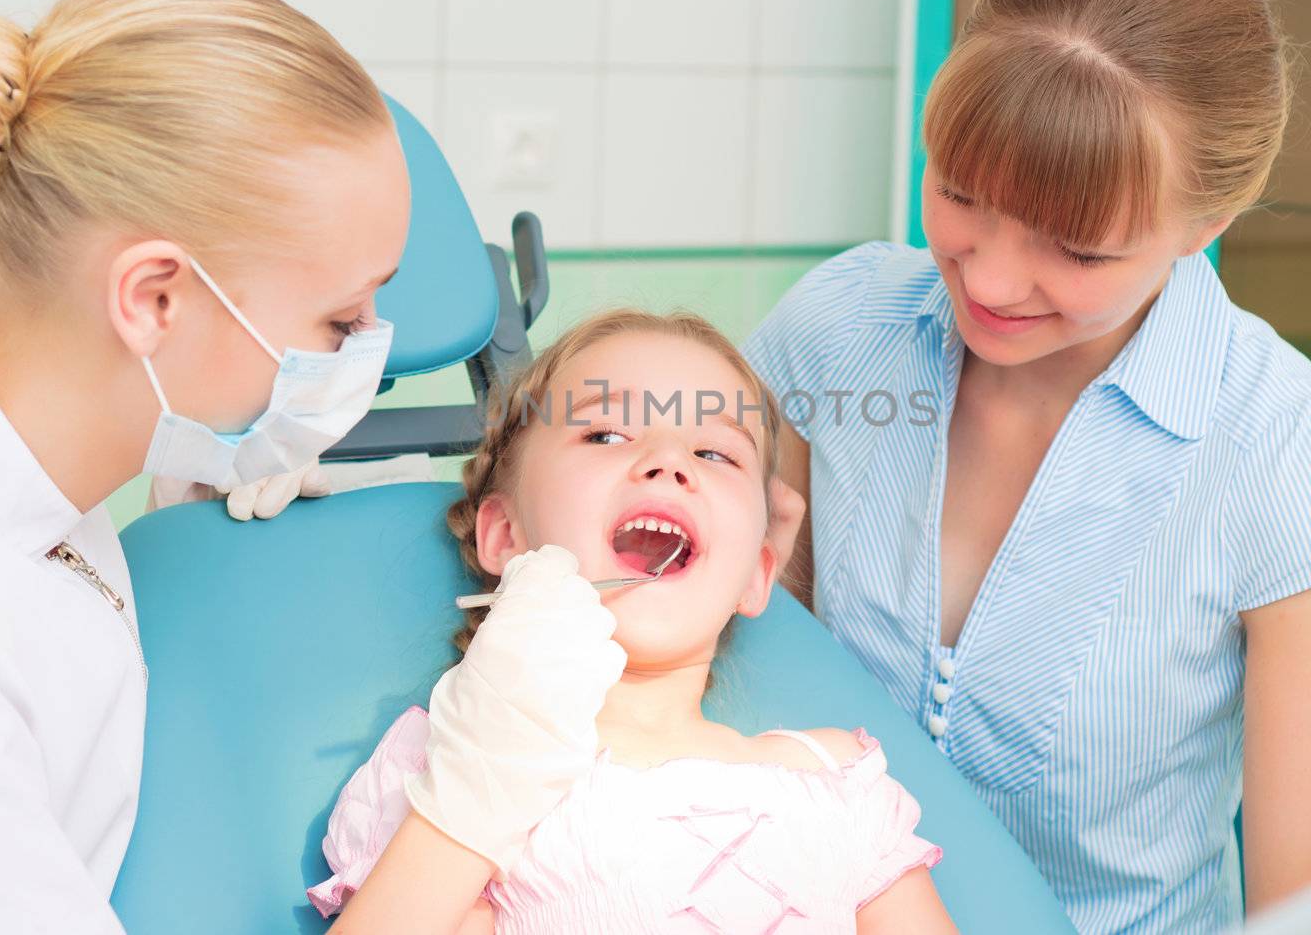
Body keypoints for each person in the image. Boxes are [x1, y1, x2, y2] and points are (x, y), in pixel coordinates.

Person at [743, 0, 1311, 932]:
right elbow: (745, 664)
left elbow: (1306, 912)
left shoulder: (1280, 452)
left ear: (1206, 225)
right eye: (959, 195)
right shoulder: (838, 332)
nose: (991, 279)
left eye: (1077, 251)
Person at [0, 0, 409, 932]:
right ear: (152, 300)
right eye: (343, 318)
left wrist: (192, 484)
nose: (369, 344)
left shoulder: (30, 460)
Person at [312, 310, 954, 934]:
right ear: (505, 535)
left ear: (758, 573)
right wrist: (472, 788)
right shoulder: (447, 768)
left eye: (714, 451)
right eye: (606, 435)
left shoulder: (835, 781)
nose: (669, 462)